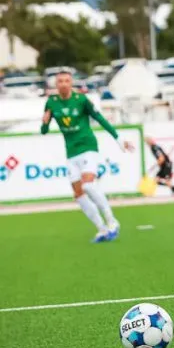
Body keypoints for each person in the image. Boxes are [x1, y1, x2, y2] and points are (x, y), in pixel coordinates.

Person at [41, 70, 130, 242]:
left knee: (88, 186)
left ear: (71, 82)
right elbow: (43, 131)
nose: (64, 84)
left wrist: (118, 138)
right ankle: (102, 229)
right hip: (71, 152)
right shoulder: (51, 103)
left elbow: (100, 118)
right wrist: (44, 123)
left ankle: (112, 221)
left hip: (88, 147)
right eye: (60, 81)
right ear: (56, 84)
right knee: (79, 194)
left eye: (67, 80)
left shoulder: (81, 100)